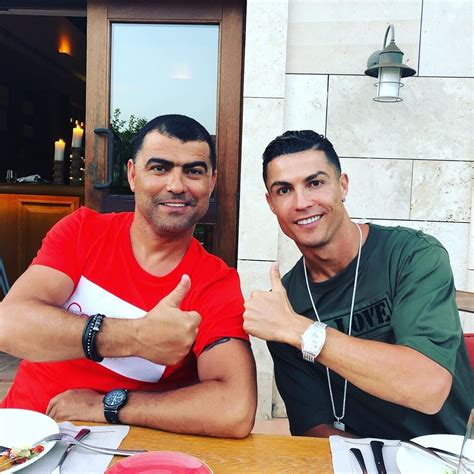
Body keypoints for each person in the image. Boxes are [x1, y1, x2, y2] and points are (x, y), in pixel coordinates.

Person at [0, 114, 257, 438]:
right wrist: (136, 337)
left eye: (193, 171)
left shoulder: (214, 282)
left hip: (119, 451)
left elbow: (234, 409)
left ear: (212, 182)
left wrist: (107, 405)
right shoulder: (83, 232)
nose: (176, 185)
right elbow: (8, 324)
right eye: (159, 168)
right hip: (20, 436)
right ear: (133, 175)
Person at [243, 130, 473, 440]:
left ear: (343, 185)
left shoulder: (412, 255)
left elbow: (428, 387)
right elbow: (313, 427)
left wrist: (301, 331)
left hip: (450, 453)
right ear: (271, 203)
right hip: (360, 457)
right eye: (284, 190)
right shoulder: (287, 303)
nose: (302, 202)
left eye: (315, 183)